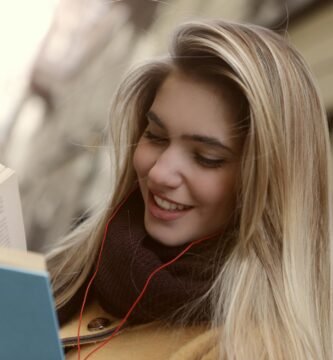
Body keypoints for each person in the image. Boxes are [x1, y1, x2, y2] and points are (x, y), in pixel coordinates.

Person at [46, 19, 332, 359]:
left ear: (267, 186)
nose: (160, 173)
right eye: (155, 135)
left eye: (206, 158)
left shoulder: (254, 349)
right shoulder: (69, 268)